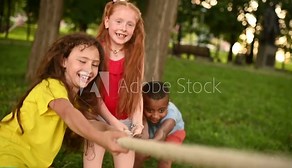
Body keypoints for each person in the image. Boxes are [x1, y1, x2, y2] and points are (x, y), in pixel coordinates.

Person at [0, 33, 129, 167]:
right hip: (8, 153)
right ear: (63, 61)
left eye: (95, 64)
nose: (89, 69)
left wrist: (110, 129)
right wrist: (100, 138)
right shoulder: (51, 85)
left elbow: (86, 123)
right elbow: (68, 113)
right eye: (82, 61)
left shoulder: (77, 99)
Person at [83, 0, 145, 167]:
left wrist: (137, 121)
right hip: (98, 119)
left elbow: (136, 89)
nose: (124, 28)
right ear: (107, 22)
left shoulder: (135, 54)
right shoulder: (97, 52)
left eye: (130, 24)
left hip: (125, 121)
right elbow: (95, 96)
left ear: (135, 28)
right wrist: (114, 123)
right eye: (119, 21)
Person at [134, 81, 186, 168]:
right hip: (152, 131)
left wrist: (152, 143)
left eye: (161, 110)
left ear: (168, 103)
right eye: (149, 110)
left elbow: (163, 132)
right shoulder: (140, 110)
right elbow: (144, 130)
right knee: (139, 153)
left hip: (173, 133)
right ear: (142, 103)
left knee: (165, 157)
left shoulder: (171, 116)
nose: (155, 116)